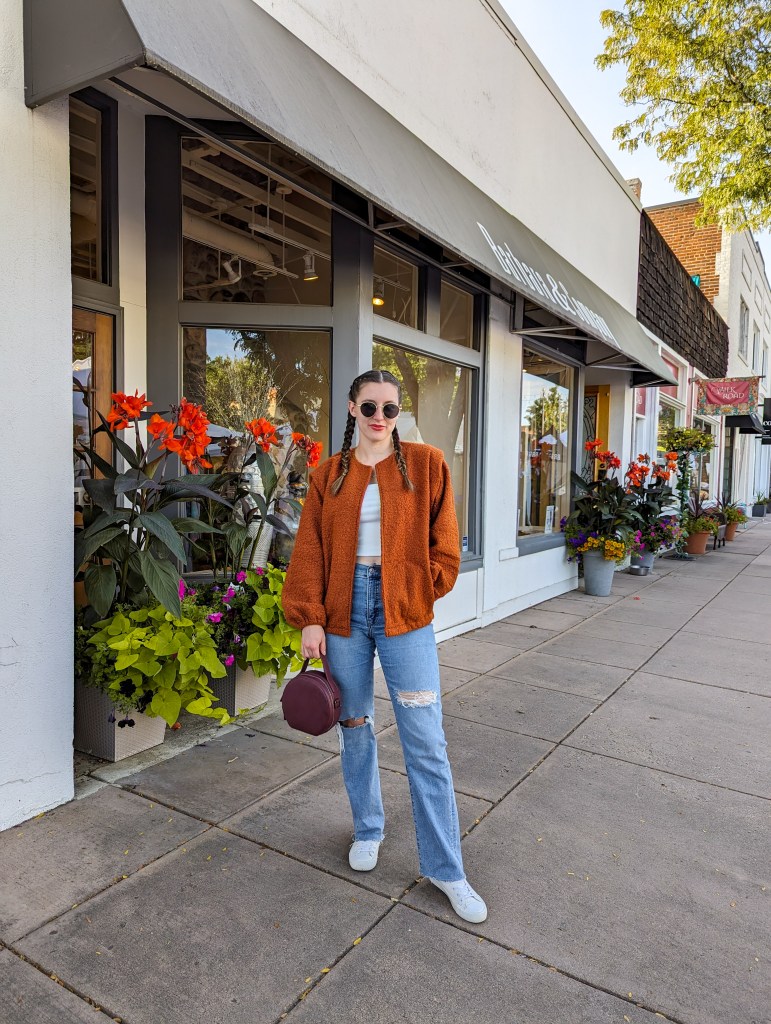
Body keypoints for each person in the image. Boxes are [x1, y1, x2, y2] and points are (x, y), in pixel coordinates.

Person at [282, 369, 487, 924]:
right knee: (355, 727)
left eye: (389, 409)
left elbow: (446, 545)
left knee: (425, 739)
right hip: (344, 613)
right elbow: (310, 550)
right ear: (351, 409)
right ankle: (368, 829)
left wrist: (422, 589)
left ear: (399, 413)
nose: (379, 417)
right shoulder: (331, 475)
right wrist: (309, 617)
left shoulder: (426, 464)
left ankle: (447, 869)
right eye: (369, 406)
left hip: (405, 614)